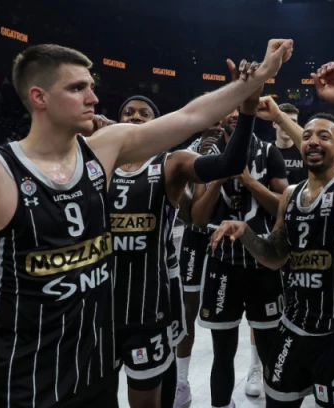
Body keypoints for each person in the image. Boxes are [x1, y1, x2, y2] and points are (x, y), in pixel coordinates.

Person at [0, 39, 293, 408]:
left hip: (101, 345)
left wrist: (255, 82)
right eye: (77, 88)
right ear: (39, 97)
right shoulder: (3, 173)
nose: (93, 98)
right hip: (29, 368)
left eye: (91, 87)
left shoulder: (105, 149)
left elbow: (190, 116)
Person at [211, 61, 334, 408]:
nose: (313, 141)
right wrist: (245, 233)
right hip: (293, 325)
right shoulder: (290, 195)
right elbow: (275, 257)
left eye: (324, 136)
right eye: (308, 136)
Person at [111, 68, 263, 407]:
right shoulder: (95, 162)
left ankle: (181, 381)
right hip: (100, 299)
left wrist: (248, 108)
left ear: (157, 123)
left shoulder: (170, 162)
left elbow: (227, 165)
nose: (135, 117)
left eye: (144, 114)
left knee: (152, 393)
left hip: (151, 296)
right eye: (128, 112)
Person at [190, 104, 288, 407]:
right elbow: (198, 218)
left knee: (270, 349)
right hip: (222, 264)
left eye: (241, 108)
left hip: (263, 262)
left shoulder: (269, 152)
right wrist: (219, 178)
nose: (234, 114)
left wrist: (249, 181)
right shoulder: (204, 157)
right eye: (229, 108)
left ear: (251, 112)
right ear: (220, 115)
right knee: (222, 352)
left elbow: (283, 208)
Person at [174, 129, 222, 408]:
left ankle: (242, 373)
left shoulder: (243, 150)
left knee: (224, 316)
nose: (215, 132)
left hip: (227, 236)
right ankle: (181, 381)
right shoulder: (187, 156)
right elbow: (186, 214)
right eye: (210, 127)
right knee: (187, 310)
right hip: (195, 237)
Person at [273, 103, 308, 185]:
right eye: (284, 121)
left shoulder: (305, 151)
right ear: (274, 124)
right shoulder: (265, 151)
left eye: (293, 121)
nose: (287, 126)